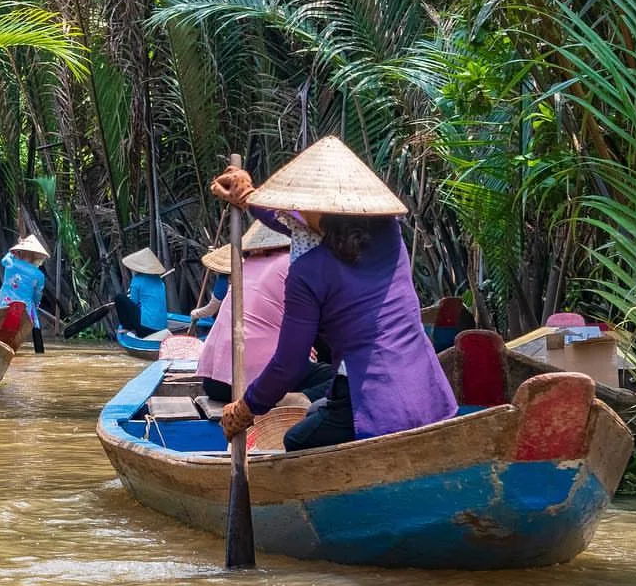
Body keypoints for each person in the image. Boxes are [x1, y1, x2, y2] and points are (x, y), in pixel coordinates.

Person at [211, 136, 458, 452]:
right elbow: (301, 227)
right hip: (430, 394)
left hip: (372, 405)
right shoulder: (388, 234)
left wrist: (246, 408)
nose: (292, 211)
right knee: (316, 410)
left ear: (317, 210)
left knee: (296, 441)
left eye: (298, 205)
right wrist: (248, 197)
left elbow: (288, 364)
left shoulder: (307, 271)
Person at [194, 222, 335, 403]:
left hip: (215, 383)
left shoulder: (246, 265)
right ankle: (295, 400)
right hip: (257, 383)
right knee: (346, 380)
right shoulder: (294, 265)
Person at [0, 235, 48, 353]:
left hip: (4, 302)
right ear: (36, 256)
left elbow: (4, 259)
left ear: (20, 252)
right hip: (26, 307)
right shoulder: (39, 275)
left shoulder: (10, 263)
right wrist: (36, 305)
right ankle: (39, 351)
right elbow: (37, 295)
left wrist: (15, 250)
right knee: (36, 325)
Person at [115, 248, 169, 336]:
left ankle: (127, 328)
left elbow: (134, 302)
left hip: (145, 328)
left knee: (119, 298)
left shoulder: (137, 280)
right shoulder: (159, 280)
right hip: (162, 327)